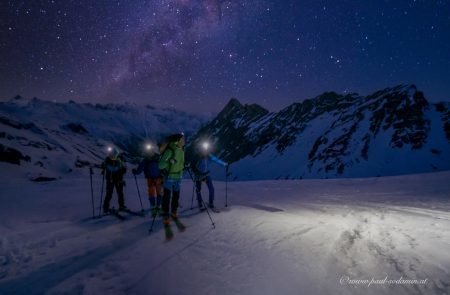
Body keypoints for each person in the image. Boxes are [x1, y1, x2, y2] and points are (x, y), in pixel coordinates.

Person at [159, 133, 185, 224]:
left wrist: (184, 166)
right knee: (166, 197)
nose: (184, 141)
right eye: (182, 139)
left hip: (178, 178)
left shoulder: (181, 151)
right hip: (169, 177)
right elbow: (160, 165)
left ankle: (174, 212)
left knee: (175, 197)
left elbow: (181, 164)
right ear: (177, 141)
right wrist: (169, 161)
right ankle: (165, 214)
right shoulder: (169, 151)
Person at [193, 142, 227, 210]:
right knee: (198, 190)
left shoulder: (209, 156)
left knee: (211, 189)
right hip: (199, 175)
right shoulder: (198, 157)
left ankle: (210, 202)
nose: (205, 151)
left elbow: (216, 160)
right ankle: (200, 202)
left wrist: (223, 164)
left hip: (205, 174)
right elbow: (193, 166)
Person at [132, 143, 163, 217]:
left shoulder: (147, 159)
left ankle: (157, 207)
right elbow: (140, 169)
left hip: (155, 178)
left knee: (157, 193)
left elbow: (140, 169)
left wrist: (136, 172)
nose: (149, 153)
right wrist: (136, 172)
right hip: (154, 178)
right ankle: (156, 207)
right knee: (154, 193)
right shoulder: (156, 158)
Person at [102, 146, 127, 213]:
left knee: (118, 193)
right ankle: (107, 207)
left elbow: (124, 168)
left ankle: (107, 207)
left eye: (113, 153)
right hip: (114, 179)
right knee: (112, 194)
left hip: (115, 179)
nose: (112, 154)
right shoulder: (109, 160)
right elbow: (124, 168)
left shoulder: (110, 160)